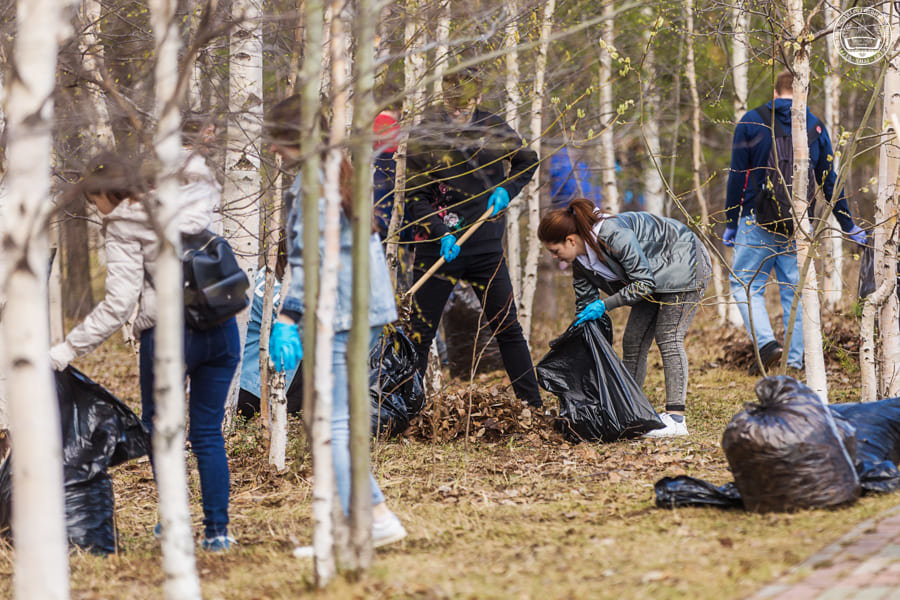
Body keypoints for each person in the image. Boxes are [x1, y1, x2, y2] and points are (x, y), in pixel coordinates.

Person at [48, 150, 241, 552]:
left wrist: (68, 348)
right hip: (221, 327)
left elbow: (119, 303)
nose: (97, 209)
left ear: (107, 193)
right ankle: (218, 532)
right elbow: (199, 169)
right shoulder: (185, 200)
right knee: (207, 433)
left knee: (160, 430)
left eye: (94, 200)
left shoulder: (124, 223)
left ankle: (174, 521)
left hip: (170, 335)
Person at [265, 94, 407, 548]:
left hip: (343, 311)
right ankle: (357, 522)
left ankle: (373, 520)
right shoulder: (336, 168)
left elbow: (312, 259)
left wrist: (288, 316)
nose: (273, 150)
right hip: (363, 306)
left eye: (277, 140)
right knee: (336, 421)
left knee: (334, 424)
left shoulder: (314, 184)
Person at [404, 65, 543, 408]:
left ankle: (533, 405)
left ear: (478, 97)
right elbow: (414, 196)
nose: (457, 110)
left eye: (464, 104)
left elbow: (527, 161)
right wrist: (440, 233)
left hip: (485, 246)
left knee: (507, 328)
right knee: (420, 334)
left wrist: (507, 189)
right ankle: (404, 409)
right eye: (451, 103)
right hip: (438, 248)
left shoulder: (493, 127)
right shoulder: (426, 133)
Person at [724, 69, 866, 374]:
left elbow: (736, 176)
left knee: (746, 285)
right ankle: (794, 360)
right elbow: (829, 181)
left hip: (755, 220)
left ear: (775, 92)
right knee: (795, 292)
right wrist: (848, 224)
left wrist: (731, 221)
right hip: (798, 224)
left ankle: (766, 344)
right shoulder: (815, 126)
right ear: (804, 93)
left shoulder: (751, 121)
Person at [538, 199, 712, 437]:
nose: (555, 257)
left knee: (668, 336)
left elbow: (643, 283)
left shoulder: (612, 235)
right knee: (633, 341)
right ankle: (628, 410)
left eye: (555, 251)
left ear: (570, 240)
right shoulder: (580, 263)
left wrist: (605, 305)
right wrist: (576, 334)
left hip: (685, 263)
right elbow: (585, 306)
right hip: (653, 278)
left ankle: (676, 419)